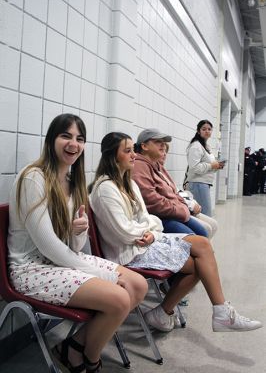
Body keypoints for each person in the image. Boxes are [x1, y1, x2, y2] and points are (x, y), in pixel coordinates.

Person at [8, 114, 147, 373]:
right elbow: (47, 245)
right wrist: (100, 274)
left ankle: (72, 346)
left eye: (80, 138)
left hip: (59, 261)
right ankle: (90, 359)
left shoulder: (72, 182)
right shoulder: (33, 178)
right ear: (51, 140)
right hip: (32, 269)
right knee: (119, 298)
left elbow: (71, 246)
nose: (73, 143)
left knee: (138, 286)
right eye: (66, 136)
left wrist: (77, 232)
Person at [89, 132, 262, 333]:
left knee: (201, 250)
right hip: (128, 253)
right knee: (200, 259)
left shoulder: (128, 183)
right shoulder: (105, 188)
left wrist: (151, 231)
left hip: (144, 242)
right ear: (112, 156)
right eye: (127, 151)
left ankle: (209, 312)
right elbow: (125, 231)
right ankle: (178, 312)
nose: (133, 155)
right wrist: (150, 230)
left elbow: (147, 218)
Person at [132, 129, 208, 238]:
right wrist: (180, 210)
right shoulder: (139, 166)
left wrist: (184, 206)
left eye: (164, 142)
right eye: (158, 142)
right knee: (197, 241)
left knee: (203, 233)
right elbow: (151, 201)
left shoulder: (157, 166)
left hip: (172, 213)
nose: (163, 145)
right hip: (158, 218)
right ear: (144, 146)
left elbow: (174, 192)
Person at [160, 142, 217, 240]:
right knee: (205, 229)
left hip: (183, 205)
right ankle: (203, 251)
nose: (164, 154)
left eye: (165, 151)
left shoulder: (162, 171)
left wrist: (192, 203)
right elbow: (195, 168)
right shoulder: (195, 146)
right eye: (161, 150)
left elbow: (176, 192)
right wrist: (189, 207)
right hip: (175, 211)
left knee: (213, 224)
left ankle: (205, 250)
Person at [186, 120, 225, 217]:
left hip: (203, 184)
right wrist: (212, 165)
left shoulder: (206, 146)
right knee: (205, 215)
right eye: (204, 129)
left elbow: (207, 165)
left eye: (209, 129)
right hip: (197, 184)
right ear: (198, 131)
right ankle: (202, 232)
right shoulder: (196, 146)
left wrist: (216, 166)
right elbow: (194, 167)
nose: (207, 131)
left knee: (204, 215)